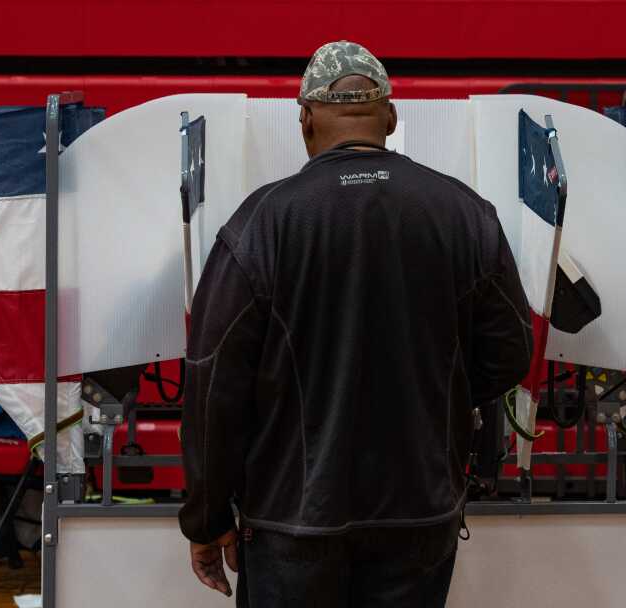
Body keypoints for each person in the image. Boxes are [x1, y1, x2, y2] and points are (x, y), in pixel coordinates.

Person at [179, 40, 532, 607]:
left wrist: (206, 516)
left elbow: (212, 383)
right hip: (421, 513)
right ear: (390, 116)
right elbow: (509, 354)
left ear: (304, 119)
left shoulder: (260, 223)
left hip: (293, 521)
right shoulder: (466, 214)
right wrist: (431, 394)